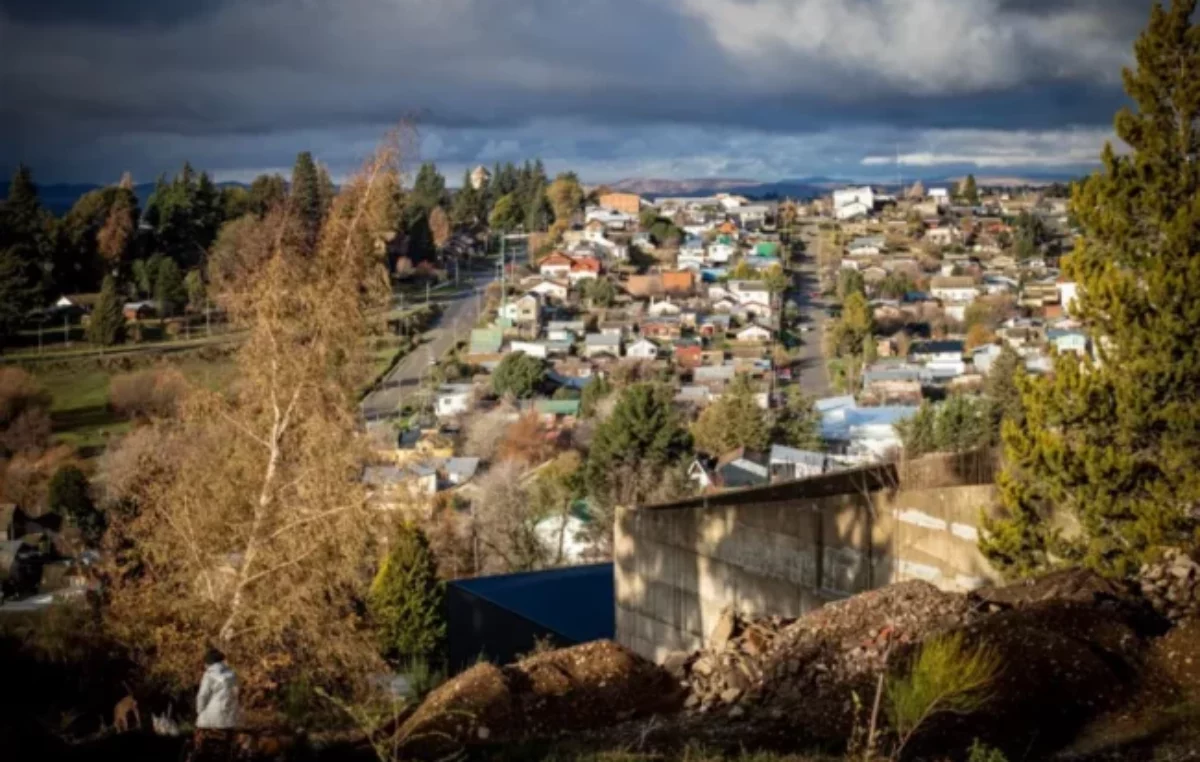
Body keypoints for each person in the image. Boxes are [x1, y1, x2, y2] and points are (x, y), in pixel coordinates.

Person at [195, 647, 239, 729]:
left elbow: (203, 695)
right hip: (230, 717)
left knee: (203, 738)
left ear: (208, 663)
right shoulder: (232, 674)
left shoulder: (209, 675)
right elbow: (235, 693)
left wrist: (200, 712)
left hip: (211, 716)